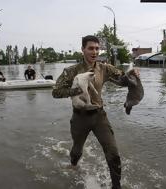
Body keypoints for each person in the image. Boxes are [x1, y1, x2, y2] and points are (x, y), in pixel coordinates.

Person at [52, 35, 140, 189]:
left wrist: (132, 74)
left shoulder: (104, 68)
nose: (95, 52)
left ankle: (116, 186)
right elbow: (56, 92)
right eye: (91, 48)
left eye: (97, 48)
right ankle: (73, 165)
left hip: (99, 117)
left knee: (113, 152)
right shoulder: (72, 71)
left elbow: (123, 81)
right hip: (80, 117)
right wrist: (77, 90)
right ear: (83, 50)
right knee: (77, 151)